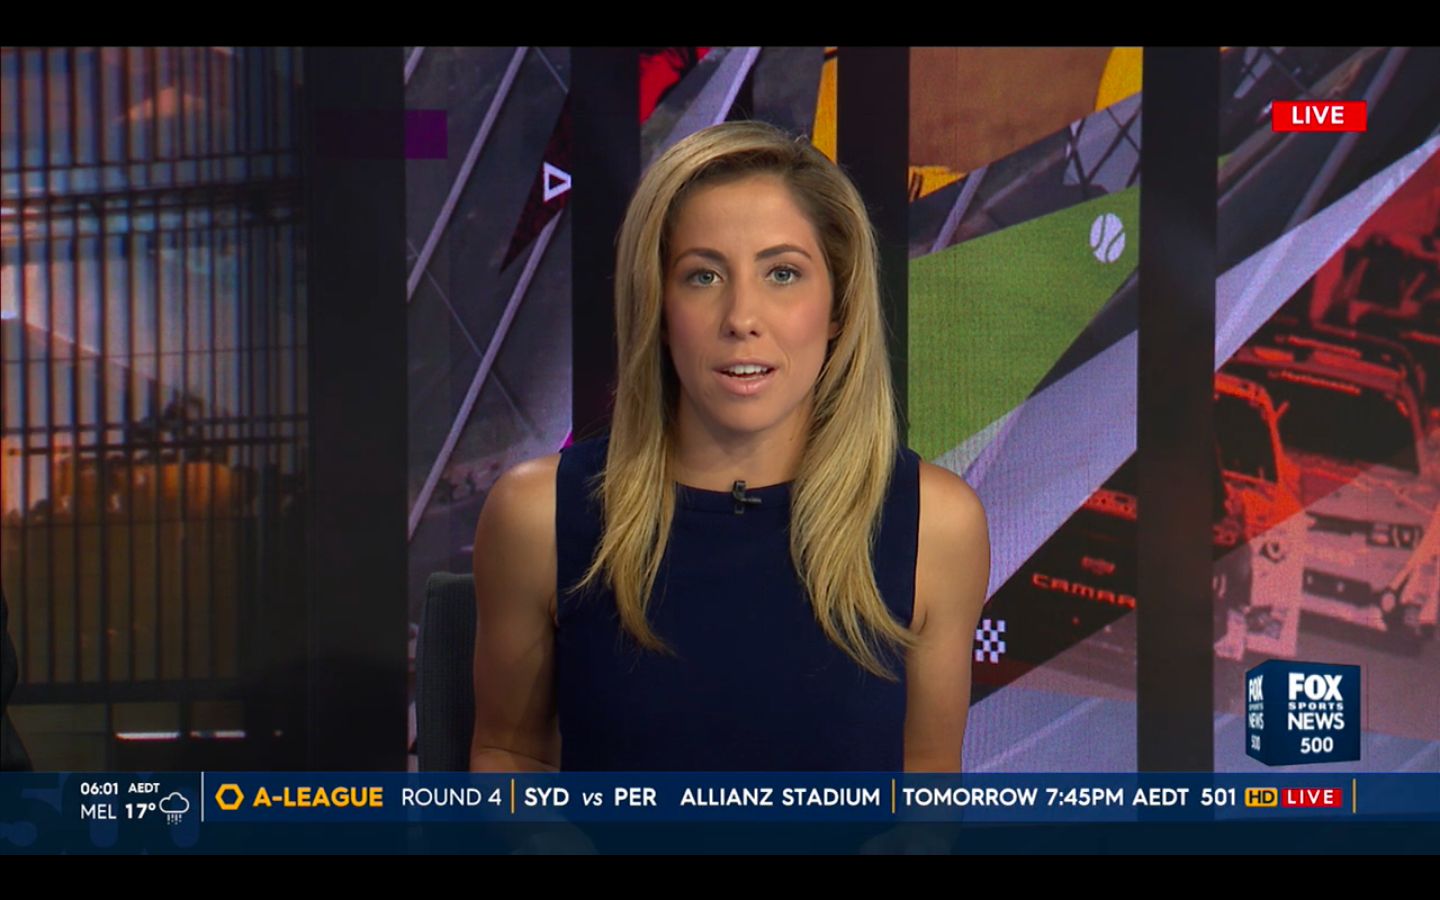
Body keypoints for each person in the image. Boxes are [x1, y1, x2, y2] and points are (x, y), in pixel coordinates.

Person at [469, 120, 989, 772]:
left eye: (782, 273)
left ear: (838, 305)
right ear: (658, 306)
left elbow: (926, 785)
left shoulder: (936, 526)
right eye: (703, 276)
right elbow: (509, 753)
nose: (742, 318)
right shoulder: (537, 515)